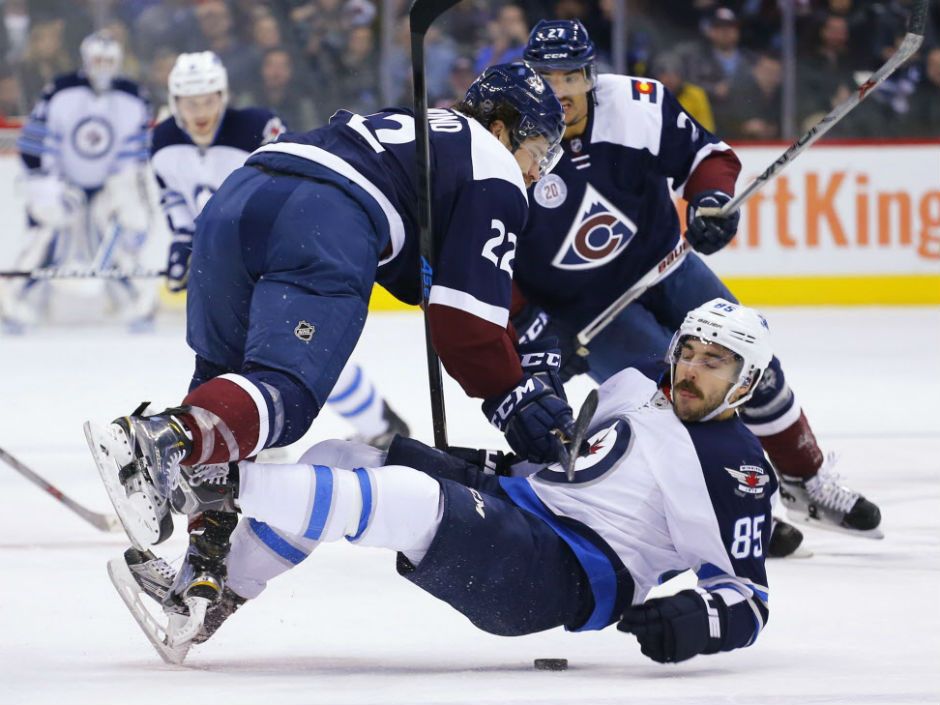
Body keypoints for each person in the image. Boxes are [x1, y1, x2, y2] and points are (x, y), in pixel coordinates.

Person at [86, 62, 573, 621]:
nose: (537, 172)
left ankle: (205, 565)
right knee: (283, 397)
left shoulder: (417, 130)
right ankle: (154, 437)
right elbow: (464, 327)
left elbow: (423, 278)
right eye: (539, 150)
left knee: (225, 390)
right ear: (503, 127)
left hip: (239, 198)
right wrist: (514, 398)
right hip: (324, 215)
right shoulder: (494, 166)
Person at [106, 299, 778, 665]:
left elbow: (747, 600)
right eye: (688, 350)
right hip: (521, 504)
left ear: (744, 381)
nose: (690, 368)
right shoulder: (634, 387)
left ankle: (197, 483)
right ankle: (210, 601)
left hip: (563, 574)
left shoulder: (735, 465)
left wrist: (698, 621)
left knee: (412, 503)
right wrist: (534, 373)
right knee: (346, 452)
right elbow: (564, 465)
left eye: (713, 362)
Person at [510, 19, 882, 542]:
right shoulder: (503, 137)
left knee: (755, 365)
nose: (559, 91)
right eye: (546, 78)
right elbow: (486, 242)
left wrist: (710, 200)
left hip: (666, 263)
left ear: (590, 76)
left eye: (569, 77)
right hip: (584, 311)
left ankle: (806, 478)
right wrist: (533, 330)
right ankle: (730, 506)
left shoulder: (638, 105)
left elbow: (706, 157)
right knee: (681, 398)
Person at [153, 51, 405, 447]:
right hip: (225, 260)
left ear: (223, 96)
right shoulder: (163, 140)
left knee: (300, 354)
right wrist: (182, 243)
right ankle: (238, 438)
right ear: (173, 103)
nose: (200, 111)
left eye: (207, 100)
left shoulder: (257, 126)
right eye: (189, 102)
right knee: (232, 356)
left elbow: (294, 187)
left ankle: (378, 423)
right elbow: (174, 199)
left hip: (282, 255)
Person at [2, 30, 155, 332]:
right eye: (97, 59)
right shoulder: (60, 90)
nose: (103, 66)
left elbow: (136, 154)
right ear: (86, 59)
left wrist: (127, 191)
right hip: (60, 182)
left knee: (120, 238)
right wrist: (42, 184)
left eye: (109, 60)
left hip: (110, 183)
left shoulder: (134, 97)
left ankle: (140, 306)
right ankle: (12, 304)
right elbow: (34, 141)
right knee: (43, 236)